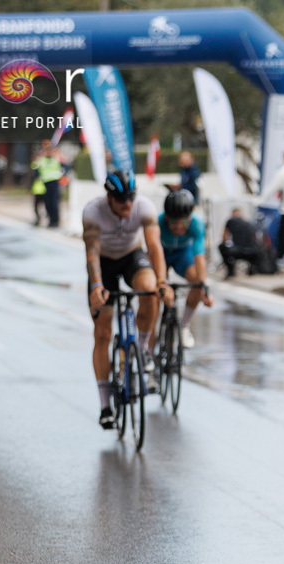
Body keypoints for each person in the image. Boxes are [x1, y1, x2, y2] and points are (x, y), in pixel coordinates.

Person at [83, 169, 173, 429]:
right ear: (109, 198)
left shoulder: (143, 207)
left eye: (131, 198)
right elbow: (92, 253)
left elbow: (154, 246)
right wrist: (97, 286)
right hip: (103, 265)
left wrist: (162, 282)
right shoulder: (93, 212)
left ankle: (142, 349)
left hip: (132, 256)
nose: (127, 204)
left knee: (149, 290)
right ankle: (104, 405)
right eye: (121, 199)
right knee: (101, 332)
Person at [158, 189, 215, 349]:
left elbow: (199, 256)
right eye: (173, 223)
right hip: (161, 255)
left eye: (183, 223)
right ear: (166, 218)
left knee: (196, 282)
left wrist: (203, 286)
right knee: (154, 290)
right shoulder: (158, 222)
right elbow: (153, 253)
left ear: (189, 218)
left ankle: (184, 326)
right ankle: (148, 341)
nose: (178, 227)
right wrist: (160, 281)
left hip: (182, 255)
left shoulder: (197, 223)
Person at [219, 208, 271, 277]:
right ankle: (252, 268)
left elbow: (224, 237)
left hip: (238, 252)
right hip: (253, 252)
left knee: (221, 247)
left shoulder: (230, 221)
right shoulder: (249, 223)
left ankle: (231, 270)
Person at [33, 142, 64, 228]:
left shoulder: (56, 159)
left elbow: (64, 167)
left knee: (54, 203)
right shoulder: (41, 160)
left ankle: (55, 221)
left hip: (54, 183)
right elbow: (36, 169)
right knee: (47, 203)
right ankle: (50, 220)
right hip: (45, 184)